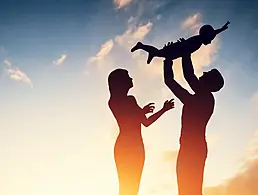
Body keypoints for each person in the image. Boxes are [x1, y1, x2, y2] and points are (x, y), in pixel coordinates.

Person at [162, 40, 224, 195]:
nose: (202, 74)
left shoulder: (206, 99)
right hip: (188, 147)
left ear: (210, 84)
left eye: (207, 75)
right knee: (185, 190)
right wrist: (168, 59)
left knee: (191, 190)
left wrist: (185, 51)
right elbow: (170, 81)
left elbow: (188, 75)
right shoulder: (195, 99)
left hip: (193, 148)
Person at [108, 68, 175, 195]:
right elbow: (137, 121)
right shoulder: (124, 101)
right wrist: (143, 112)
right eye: (127, 76)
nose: (131, 78)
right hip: (131, 146)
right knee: (129, 183)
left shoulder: (119, 101)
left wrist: (162, 110)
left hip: (131, 146)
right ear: (120, 82)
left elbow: (145, 122)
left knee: (130, 184)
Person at [131, 21, 230, 64]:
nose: (210, 42)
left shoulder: (199, 40)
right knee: (161, 53)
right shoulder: (198, 40)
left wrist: (221, 29)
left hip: (178, 50)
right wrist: (184, 46)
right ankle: (142, 46)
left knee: (161, 54)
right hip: (177, 49)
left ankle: (148, 51)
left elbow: (212, 33)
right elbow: (187, 46)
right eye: (210, 39)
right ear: (206, 35)